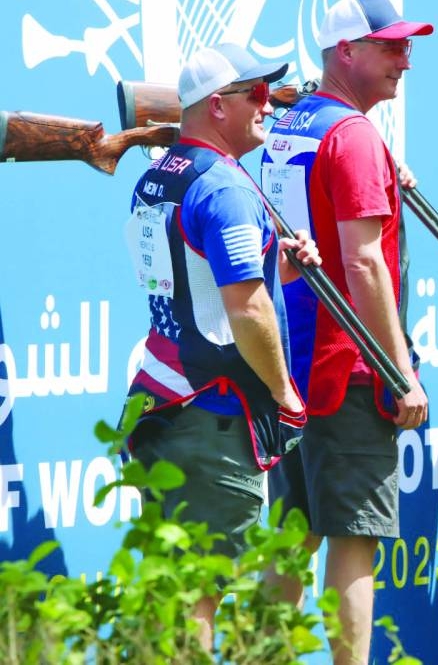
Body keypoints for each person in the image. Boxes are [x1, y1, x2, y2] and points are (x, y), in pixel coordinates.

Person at [123, 43, 318, 650]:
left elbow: (195, 280)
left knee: (175, 585)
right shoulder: (227, 188)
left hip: (164, 398)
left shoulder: (159, 172)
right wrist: (286, 392)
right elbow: (244, 308)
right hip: (214, 412)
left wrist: (269, 266)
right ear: (217, 107)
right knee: (201, 590)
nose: (269, 105)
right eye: (256, 94)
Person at [260, 0, 431, 662]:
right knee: (353, 538)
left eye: (407, 45)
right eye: (390, 46)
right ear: (345, 52)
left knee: (293, 532)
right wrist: (399, 372)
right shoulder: (353, 136)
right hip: (347, 367)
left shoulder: (288, 122)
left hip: (291, 363)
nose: (406, 58)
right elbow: (362, 261)